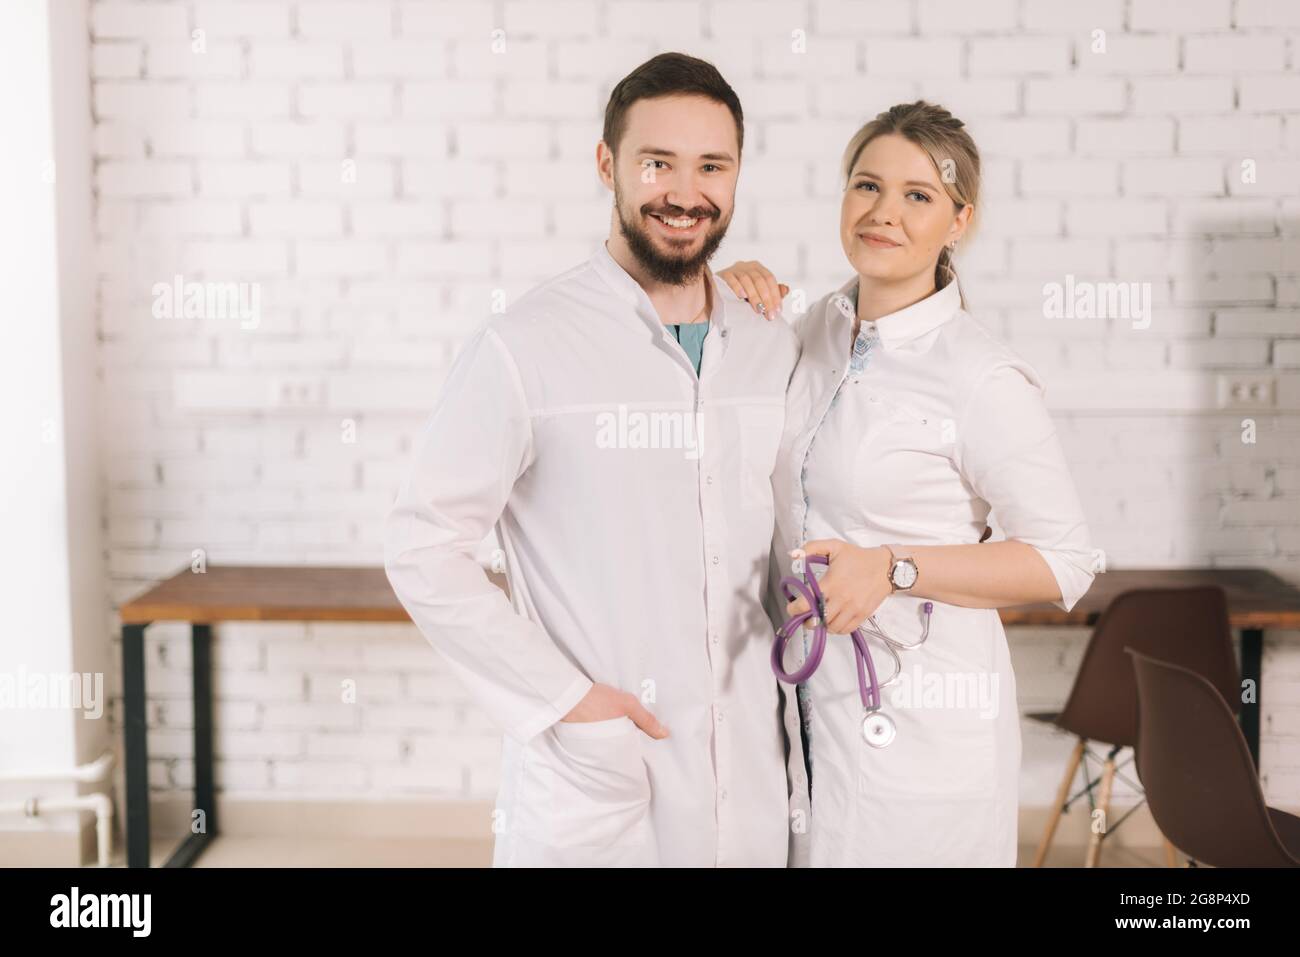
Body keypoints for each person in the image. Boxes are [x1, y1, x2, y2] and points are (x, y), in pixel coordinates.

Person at [384, 52, 806, 867]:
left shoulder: (767, 345)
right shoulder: (525, 345)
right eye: (658, 163)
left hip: (752, 777)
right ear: (607, 164)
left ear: (738, 174)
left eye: (711, 166)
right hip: (603, 778)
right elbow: (422, 546)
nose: (686, 194)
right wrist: (568, 702)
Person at [719, 101, 1103, 866]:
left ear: (958, 220)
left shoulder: (981, 376)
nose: (883, 212)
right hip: (806, 717)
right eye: (867, 185)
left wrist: (893, 567)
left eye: (917, 196)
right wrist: (721, 295)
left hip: (927, 729)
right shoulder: (813, 329)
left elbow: (1066, 559)